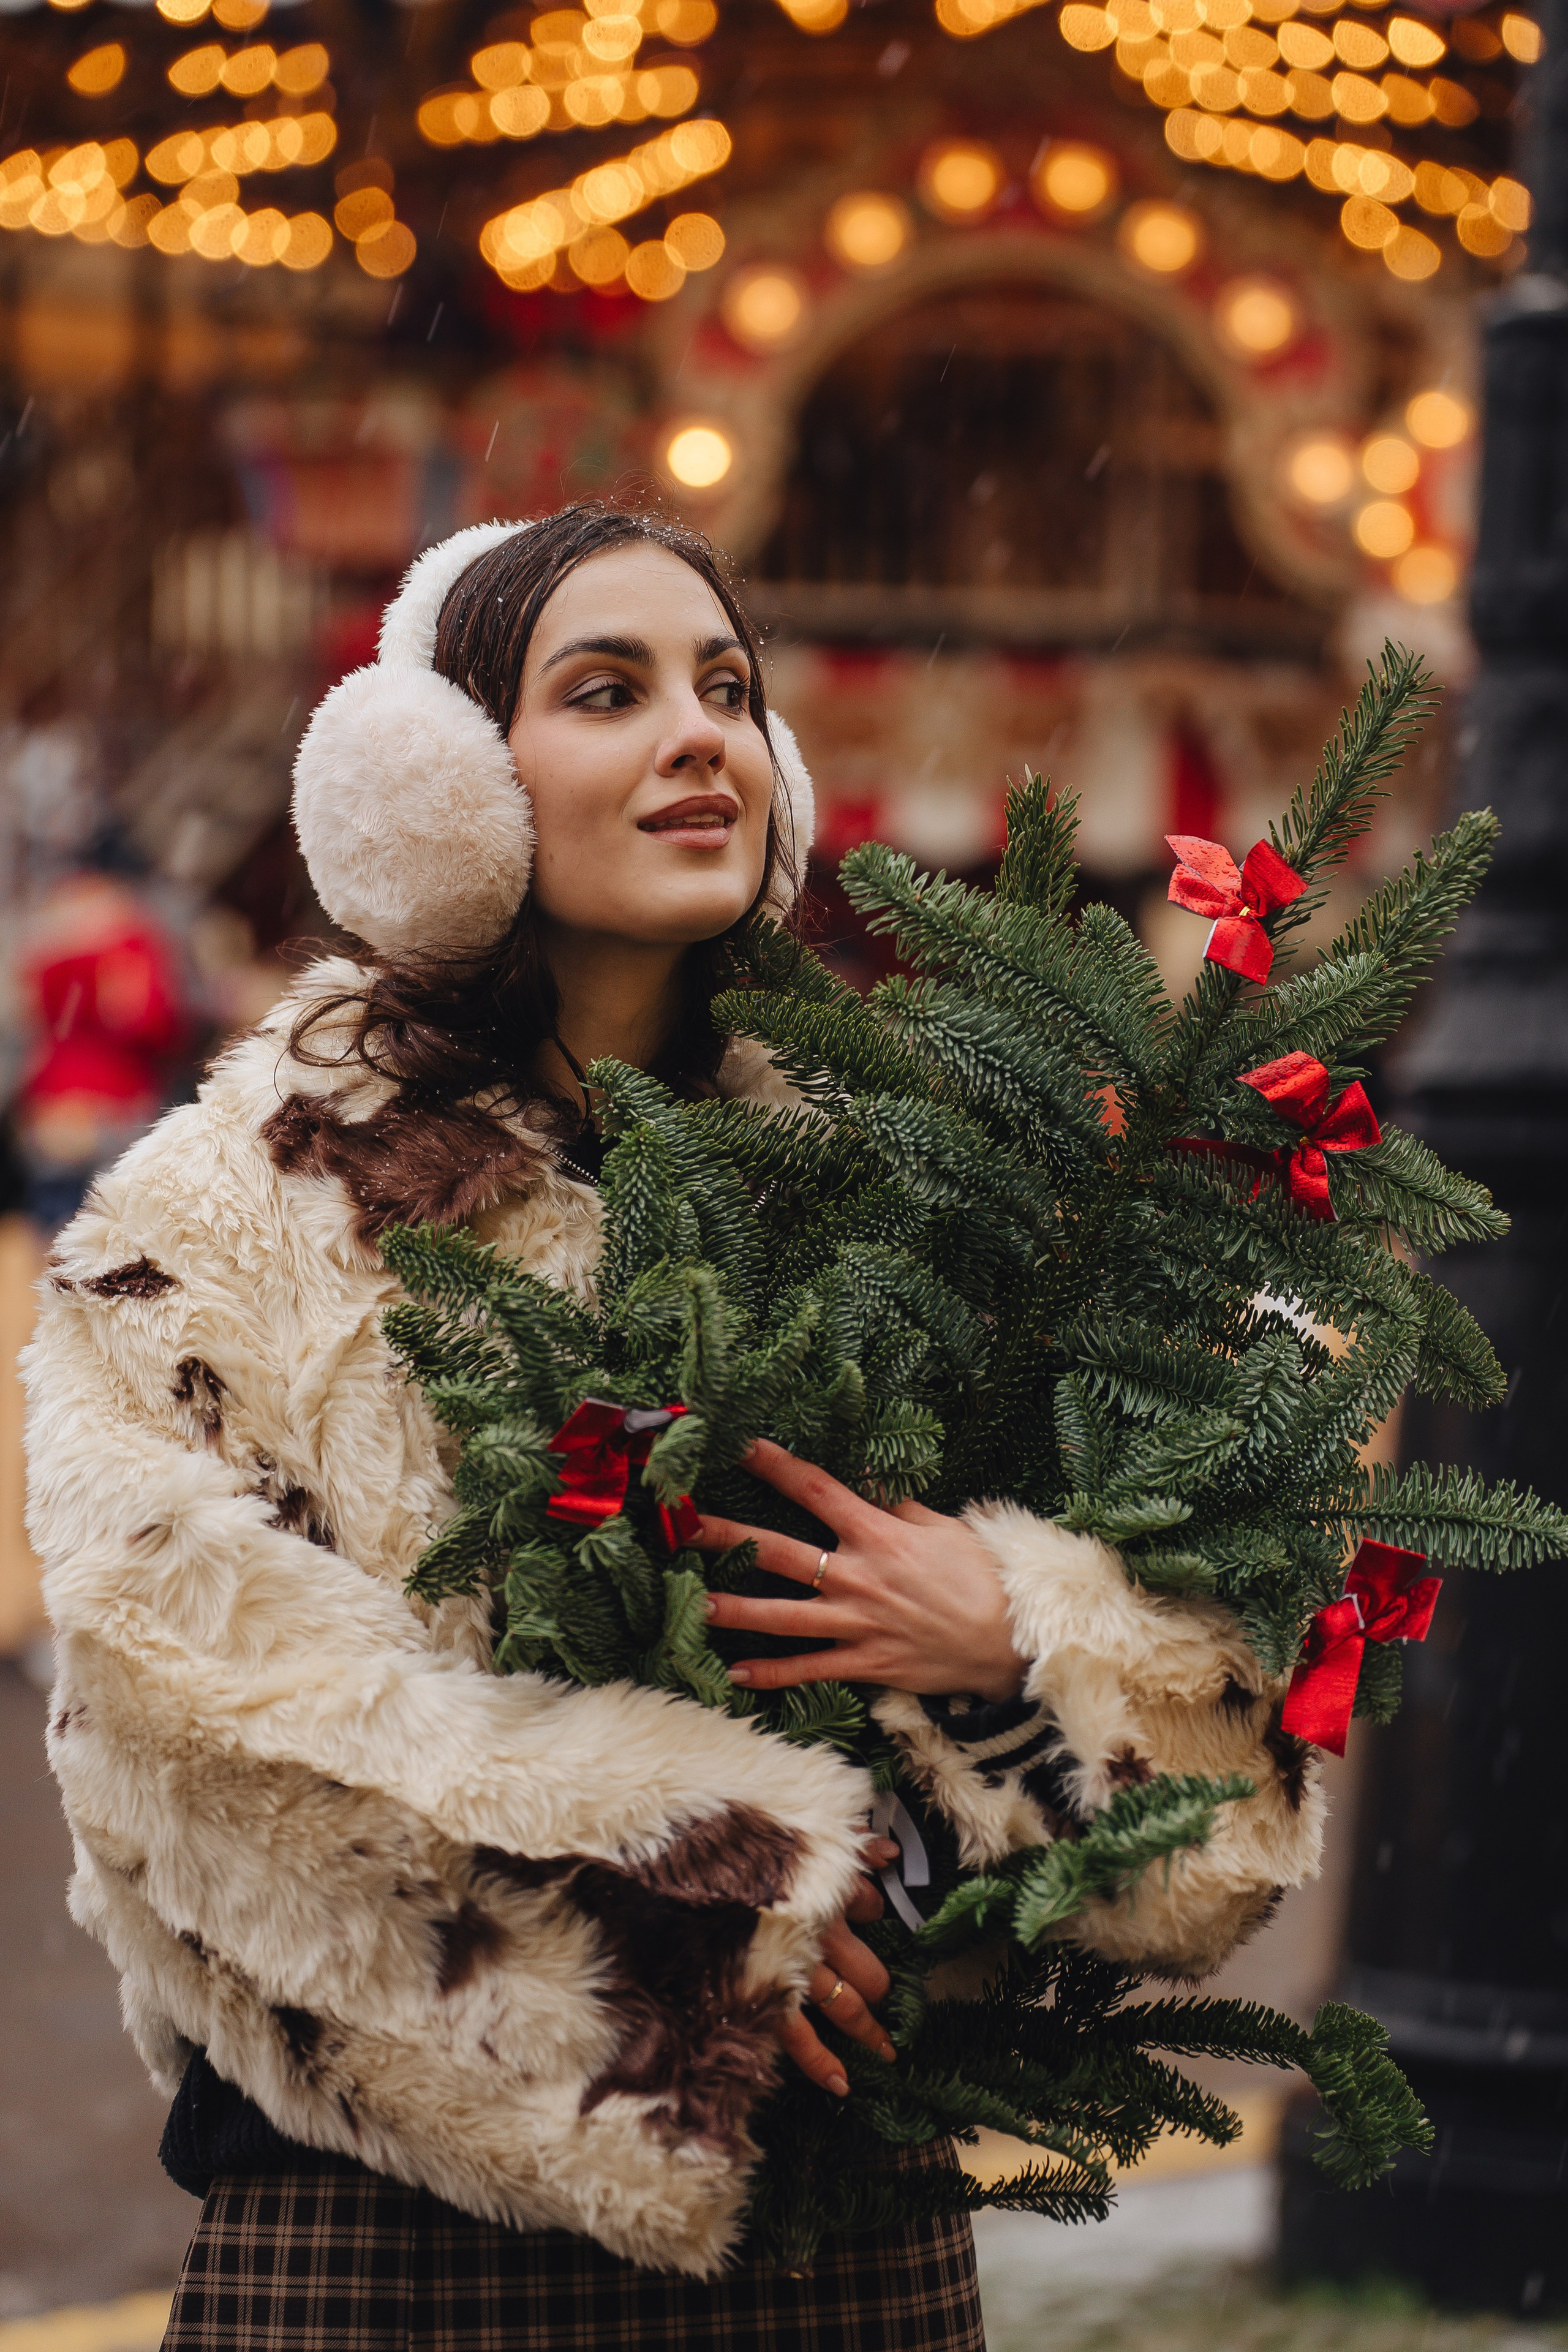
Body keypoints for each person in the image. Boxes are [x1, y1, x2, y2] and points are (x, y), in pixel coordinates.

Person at [24, 506, 1323, 2349]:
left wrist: (1025, 1635)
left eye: (725, 688)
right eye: (608, 691)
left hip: (835, 2253)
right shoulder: (227, 1214)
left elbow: (1219, 1680)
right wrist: (704, 1932)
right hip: (386, 2243)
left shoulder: (905, 1183)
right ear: (442, 784)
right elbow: (183, 1724)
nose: (698, 734)